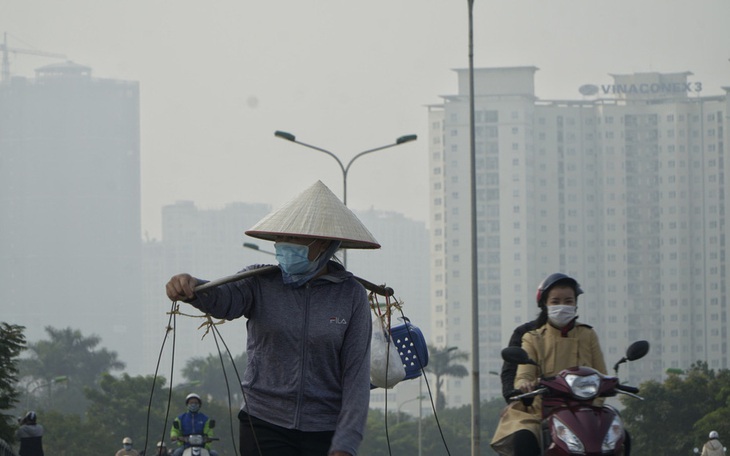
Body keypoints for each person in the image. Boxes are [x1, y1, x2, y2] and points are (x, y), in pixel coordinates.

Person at [165, 181, 377, 456]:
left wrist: (346, 443)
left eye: (295, 240)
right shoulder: (259, 281)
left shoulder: (351, 296)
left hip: (324, 428)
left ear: (322, 243)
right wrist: (193, 288)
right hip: (263, 421)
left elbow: (357, 376)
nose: (284, 246)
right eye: (281, 239)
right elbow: (224, 299)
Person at [491, 273, 607, 456]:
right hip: (540, 411)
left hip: (586, 410)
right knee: (523, 437)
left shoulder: (588, 335)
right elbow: (523, 375)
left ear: (576, 304)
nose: (562, 306)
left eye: (568, 301)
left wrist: (601, 395)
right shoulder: (532, 337)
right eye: (555, 301)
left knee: (619, 434)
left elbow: (601, 375)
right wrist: (525, 386)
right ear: (545, 305)